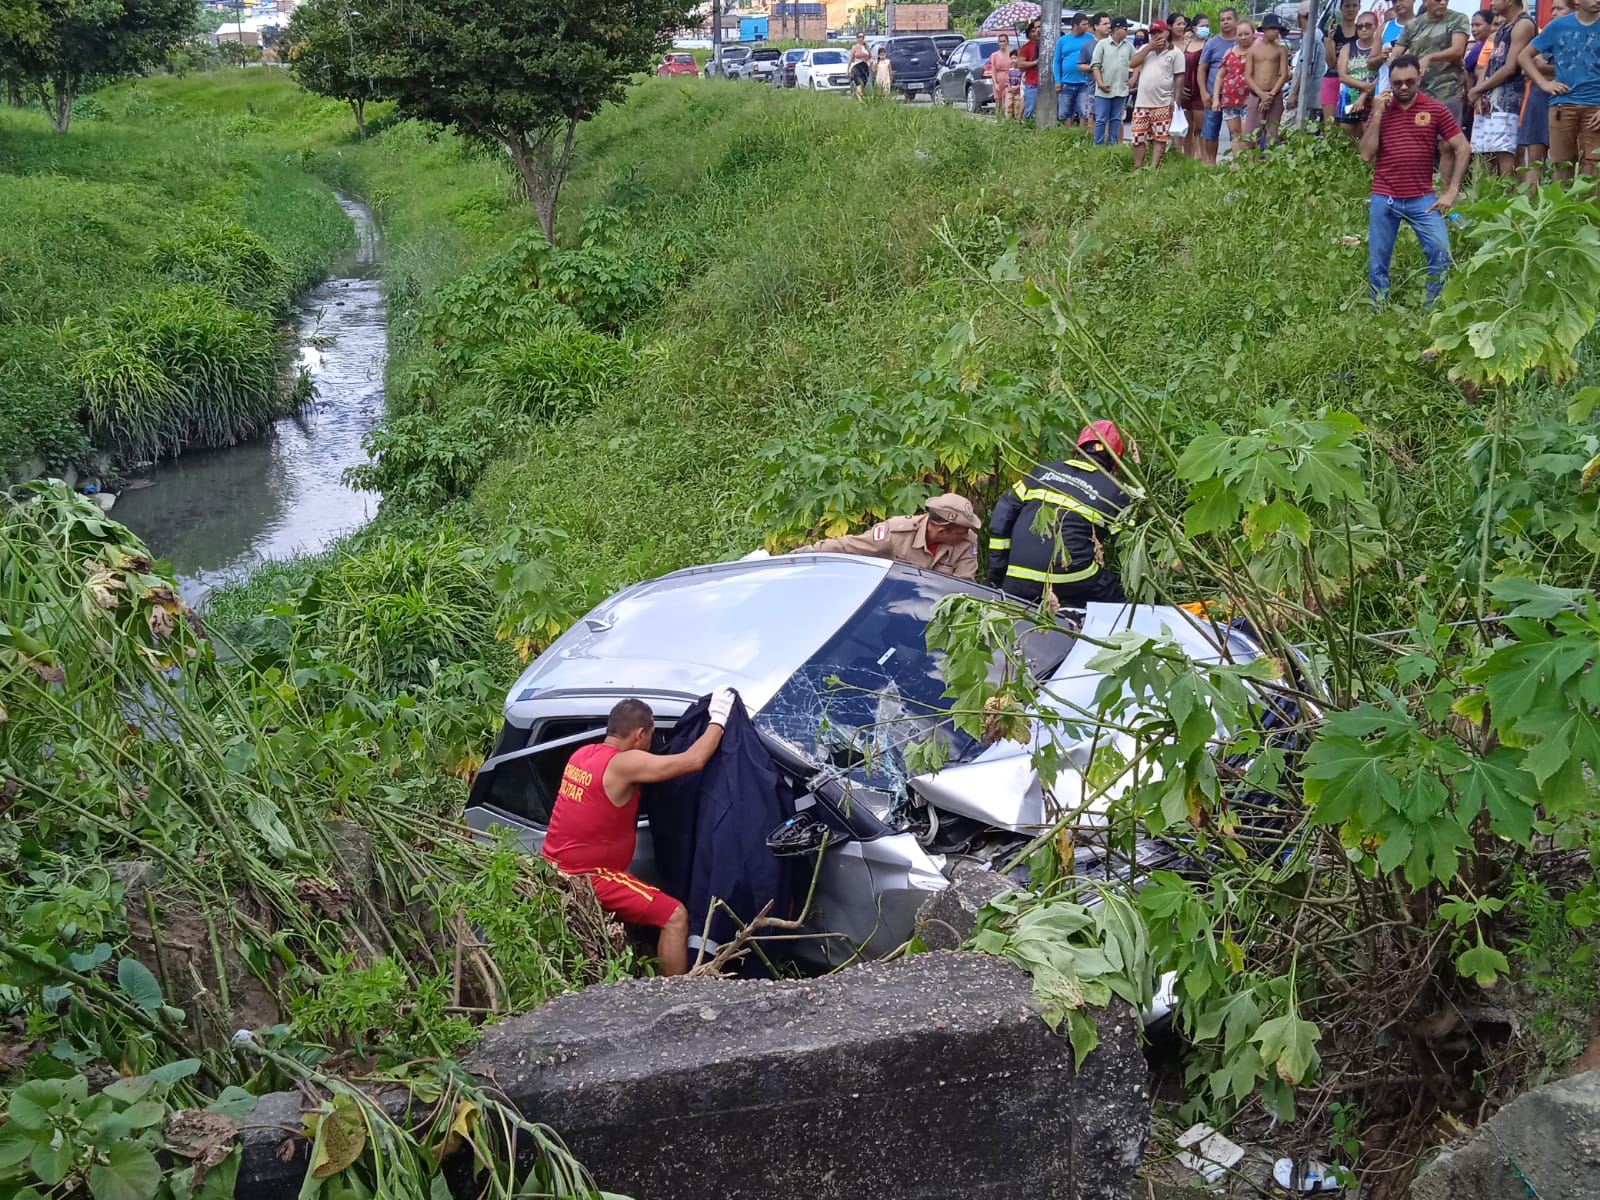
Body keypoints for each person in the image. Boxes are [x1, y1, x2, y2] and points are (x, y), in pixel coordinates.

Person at [543, 691, 738, 976]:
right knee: (675, 916)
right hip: (588, 874)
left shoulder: (581, 755)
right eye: (651, 736)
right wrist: (719, 718)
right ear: (640, 733)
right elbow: (693, 761)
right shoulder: (624, 764)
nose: (651, 744)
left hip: (554, 865)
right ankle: (673, 997)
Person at [1360, 54, 1470, 304]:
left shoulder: (1435, 109)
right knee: (1378, 259)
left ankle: (1432, 309)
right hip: (1384, 195)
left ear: (1420, 77)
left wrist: (1452, 190)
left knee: (1440, 251)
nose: (1404, 87)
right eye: (1397, 83)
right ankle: (1378, 308)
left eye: (1410, 81)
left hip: (1422, 198)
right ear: (1390, 81)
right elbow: (1366, 154)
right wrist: (1376, 113)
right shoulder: (1382, 109)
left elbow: (1462, 147)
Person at [987, 422, 1132, 609]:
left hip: (1017, 575)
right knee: (1118, 602)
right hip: (1071, 578)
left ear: (1078, 448)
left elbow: (1002, 517)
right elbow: (1128, 544)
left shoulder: (1042, 471)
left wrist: (996, 576)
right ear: (1115, 460)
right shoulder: (1116, 491)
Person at [796, 493, 981, 579]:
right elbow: (852, 545)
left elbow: (963, 588)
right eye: (961, 532)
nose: (966, 535)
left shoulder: (967, 544)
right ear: (942, 530)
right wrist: (809, 552)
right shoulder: (897, 532)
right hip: (895, 607)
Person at [1522, 0, 1600, 180]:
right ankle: (1563, 206)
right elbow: (1524, 56)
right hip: (1562, 104)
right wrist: (1544, 83)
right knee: (1562, 163)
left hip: (1596, 106)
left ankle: (1588, 208)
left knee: (1594, 164)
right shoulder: (1558, 25)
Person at [1469, 0, 1535, 177]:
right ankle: (1487, 197)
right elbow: (1490, 64)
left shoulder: (1523, 24)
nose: (1492, 3)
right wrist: (1479, 91)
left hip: (1510, 99)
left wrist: (1479, 89)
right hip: (1490, 98)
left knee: (1506, 153)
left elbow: (1510, 67)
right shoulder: (1504, 27)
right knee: (1483, 153)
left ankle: (1508, 198)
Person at [1395, 0, 1471, 124]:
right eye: (1437, 0)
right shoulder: (1412, 25)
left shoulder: (1458, 18)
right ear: (1425, 2)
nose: (1442, 3)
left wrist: (1429, 57)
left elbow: (1457, 50)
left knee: (1448, 140)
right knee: (1421, 138)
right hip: (1418, 94)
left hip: (1448, 91)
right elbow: (1396, 54)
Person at [1519, 0, 1569, 186]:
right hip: (1539, 98)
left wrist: (1544, 67)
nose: (1554, 13)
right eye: (1553, 9)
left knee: (1563, 160)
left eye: (1560, 9)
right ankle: (1531, 206)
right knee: (1535, 160)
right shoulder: (1548, 34)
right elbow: (1526, 66)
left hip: (1567, 101)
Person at [1130, 19, 1186, 166]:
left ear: (1167, 32)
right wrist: (1149, 47)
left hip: (1163, 102)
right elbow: (1132, 63)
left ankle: (1153, 168)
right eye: (1153, 33)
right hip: (1142, 102)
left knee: (1160, 138)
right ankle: (1138, 166)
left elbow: (1179, 78)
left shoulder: (1176, 53)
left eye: (1159, 32)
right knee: (1138, 137)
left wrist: (1176, 101)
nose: (1156, 36)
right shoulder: (1145, 49)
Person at [1199, 6, 1242, 162]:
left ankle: (1239, 165)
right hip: (1213, 95)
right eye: (1222, 20)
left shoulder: (1243, 40)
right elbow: (1201, 69)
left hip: (1238, 97)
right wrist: (1204, 93)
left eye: (1229, 19)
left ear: (1236, 21)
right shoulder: (1211, 43)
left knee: (1238, 133)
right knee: (1210, 132)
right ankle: (1211, 163)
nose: (1226, 22)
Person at [1336, 11, 1386, 135]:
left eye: (1368, 25)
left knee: (1368, 135)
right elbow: (1342, 76)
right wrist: (1365, 86)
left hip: (1372, 98)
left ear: (1376, 26)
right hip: (1349, 96)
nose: (1363, 29)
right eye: (1359, 26)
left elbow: (1381, 76)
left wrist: (1366, 92)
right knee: (1347, 140)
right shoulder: (1348, 47)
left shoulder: (1381, 48)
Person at [1248, 13, 1291, 147]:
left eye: (1278, 29)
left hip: (1275, 95)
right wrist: (1262, 94)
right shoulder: (1253, 50)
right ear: (1264, 29)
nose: (1276, 32)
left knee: (1272, 135)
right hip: (1256, 95)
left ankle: (1269, 163)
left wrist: (1270, 95)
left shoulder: (1281, 50)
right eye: (1272, 28)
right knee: (1251, 136)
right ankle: (1251, 165)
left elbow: (1283, 74)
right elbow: (1248, 76)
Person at [1093, 18, 1136, 142]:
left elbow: (1137, 62)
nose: (1127, 32)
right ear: (1117, 29)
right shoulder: (1102, 44)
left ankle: (1112, 144)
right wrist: (1100, 83)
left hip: (1121, 90)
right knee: (1101, 119)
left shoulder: (1128, 45)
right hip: (1104, 89)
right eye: (1125, 29)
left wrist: (1134, 77)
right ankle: (1098, 144)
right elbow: (1095, 65)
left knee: (1116, 119)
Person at [1214, 22, 1257, 147]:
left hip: (1249, 100)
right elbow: (1220, 76)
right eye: (1240, 34)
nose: (1243, 37)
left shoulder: (1257, 51)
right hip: (1230, 100)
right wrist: (1216, 98)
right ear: (1235, 36)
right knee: (1235, 134)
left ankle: (1249, 165)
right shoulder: (1229, 51)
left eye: (1247, 34)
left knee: (1248, 135)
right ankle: (1237, 165)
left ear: (1253, 34)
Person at [1285, 3, 1327, 127]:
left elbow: (1306, 66)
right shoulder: (1315, 34)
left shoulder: (1312, 35)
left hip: (1307, 96)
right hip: (1312, 96)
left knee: (1288, 129)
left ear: (1299, 16)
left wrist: (1293, 94)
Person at [1322, 0, 1363, 124]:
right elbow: (1331, 63)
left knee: (1351, 128)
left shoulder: (1363, 31)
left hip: (1355, 83)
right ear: (1341, 8)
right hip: (1333, 79)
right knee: (1330, 127)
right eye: (1347, 6)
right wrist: (1329, 40)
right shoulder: (1332, 31)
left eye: (1354, 6)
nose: (1351, 9)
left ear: (1359, 7)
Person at [1177, 13, 1208, 155]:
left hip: (1201, 92)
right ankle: (1188, 160)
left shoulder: (1208, 45)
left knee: (1200, 129)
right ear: (1194, 28)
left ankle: (1202, 160)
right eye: (1203, 26)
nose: (1205, 29)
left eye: (1208, 26)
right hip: (1186, 91)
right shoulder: (1187, 45)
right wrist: (1179, 88)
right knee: (1188, 129)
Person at [1055, 11, 1094, 125]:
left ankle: (1082, 136)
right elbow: (1057, 61)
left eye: (1087, 24)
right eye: (1084, 24)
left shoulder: (1090, 39)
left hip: (1085, 82)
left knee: (1084, 111)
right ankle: (1068, 135)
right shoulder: (1063, 40)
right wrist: (1058, 80)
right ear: (1075, 25)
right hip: (1066, 82)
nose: (1086, 27)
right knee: (1065, 113)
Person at [1078, 12, 1113, 122]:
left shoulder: (1115, 43)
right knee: (1093, 116)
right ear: (1096, 26)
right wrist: (1095, 67)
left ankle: (1113, 139)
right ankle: (1093, 139)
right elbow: (1080, 65)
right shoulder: (1087, 45)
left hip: (1112, 86)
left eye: (1109, 23)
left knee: (1113, 117)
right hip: (1093, 87)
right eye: (1105, 23)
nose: (1108, 26)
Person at [1378, 0, 1417, 92]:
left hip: (1416, 89)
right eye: (1394, 1)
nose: (1398, 4)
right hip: (1386, 90)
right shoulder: (1384, 27)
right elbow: (1370, 63)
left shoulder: (1424, 25)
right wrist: (1380, 57)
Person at [1018, 19, 1043, 118]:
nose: (1036, 32)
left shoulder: (1048, 43)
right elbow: (1020, 64)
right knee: (1030, 107)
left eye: (1038, 28)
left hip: (1048, 82)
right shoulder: (1026, 47)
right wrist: (1035, 62)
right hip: (1032, 82)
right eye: (1032, 31)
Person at [989, 33, 1018, 119]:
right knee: (999, 103)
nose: (1002, 43)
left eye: (1004, 41)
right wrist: (995, 83)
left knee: (1008, 102)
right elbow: (993, 70)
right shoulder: (994, 55)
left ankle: (1007, 120)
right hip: (999, 81)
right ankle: (998, 120)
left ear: (1007, 42)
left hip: (1009, 81)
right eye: (1000, 41)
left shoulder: (1012, 53)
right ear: (998, 43)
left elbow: (1016, 66)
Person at [848, 32, 873, 99]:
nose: (861, 38)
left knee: (862, 85)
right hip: (857, 67)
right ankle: (860, 100)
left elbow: (870, 57)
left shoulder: (866, 47)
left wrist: (871, 62)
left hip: (865, 67)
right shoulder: (855, 47)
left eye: (862, 37)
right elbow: (850, 59)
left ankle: (857, 97)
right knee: (858, 84)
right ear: (857, 38)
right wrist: (848, 70)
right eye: (859, 37)